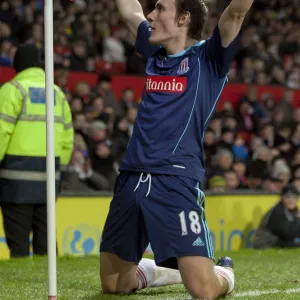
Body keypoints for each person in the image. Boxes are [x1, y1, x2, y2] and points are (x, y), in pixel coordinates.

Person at [100, 0, 253, 299]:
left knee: (203, 290)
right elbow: (129, 10)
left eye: (159, 8)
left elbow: (236, 11)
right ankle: (164, 271)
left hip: (175, 179)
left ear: (183, 18)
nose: (150, 15)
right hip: (132, 175)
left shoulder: (209, 57)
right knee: (114, 285)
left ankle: (223, 274)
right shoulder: (155, 51)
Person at [0, 43, 74, 257]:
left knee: (19, 243)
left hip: (15, 179)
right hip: (49, 178)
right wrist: (60, 168)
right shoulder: (57, 94)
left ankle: (24, 285)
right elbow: (68, 138)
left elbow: (2, 132)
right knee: (47, 242)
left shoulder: (12, 90)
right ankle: (50, 286)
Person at [253, 184, 300, 249]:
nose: (291, 200)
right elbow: (288, 235)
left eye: (294, 197)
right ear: (281, 198)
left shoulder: (292, 210)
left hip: (277, 240)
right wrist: (297, 219)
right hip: (265, 243)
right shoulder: (278, 211)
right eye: (288, 197)